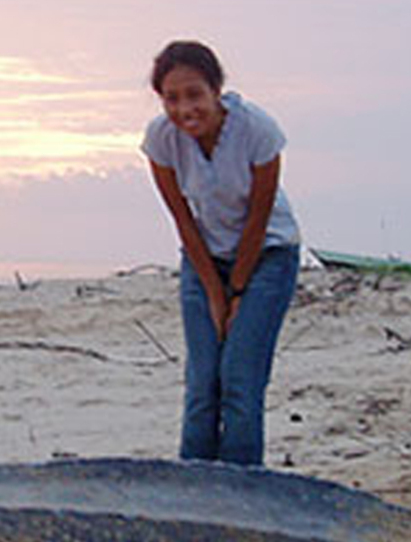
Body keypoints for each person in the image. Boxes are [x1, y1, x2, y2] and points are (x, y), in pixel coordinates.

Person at [142, 40, 302, 466]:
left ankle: (242, 490)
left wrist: (237, 293)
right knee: (202, 384)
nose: (184, 109)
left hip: (267, 254)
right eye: (171, 99)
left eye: (194, 94)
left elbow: (258, 219)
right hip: (204, 258)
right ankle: (193, 488)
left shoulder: (258, 131)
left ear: (216, 90)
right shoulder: (161, 140)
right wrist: (214, 292)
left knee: (239, 381)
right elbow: (184, 221)